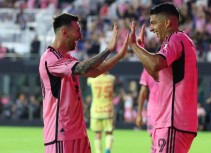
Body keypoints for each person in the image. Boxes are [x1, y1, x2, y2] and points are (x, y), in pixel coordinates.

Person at [39, 13, 129, 153]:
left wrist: (118, 56)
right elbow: (83, 68)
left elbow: (94, 71)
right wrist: (108, 50)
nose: (80, 36)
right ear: (64, 32)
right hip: (61, 135)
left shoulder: (67, 57)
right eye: (77, 31)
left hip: (79, 133)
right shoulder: (49, 58)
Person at [129, 3, 198, 153]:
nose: (151, 28)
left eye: (153, 23)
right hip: (172, 123)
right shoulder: (183, 41)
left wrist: (133, 46)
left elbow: (155, 65)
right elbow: (157, 75)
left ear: (167, 22)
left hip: (173, 122)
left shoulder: (175, 39)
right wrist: (141, 51)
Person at [135, 25, 159, 137]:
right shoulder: (171, 70)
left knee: (155, 141)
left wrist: (139, 114)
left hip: (154, 109)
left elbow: (143, 93)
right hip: (168, 110)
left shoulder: (147, 70)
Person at [87, 71, 115, 153]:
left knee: (98, 135)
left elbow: (89, 78)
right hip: (108, 110)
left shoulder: (92, 80)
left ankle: (98, 152)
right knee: (109, 132)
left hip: (96, 111)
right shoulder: (111, 78)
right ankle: (107, 150)